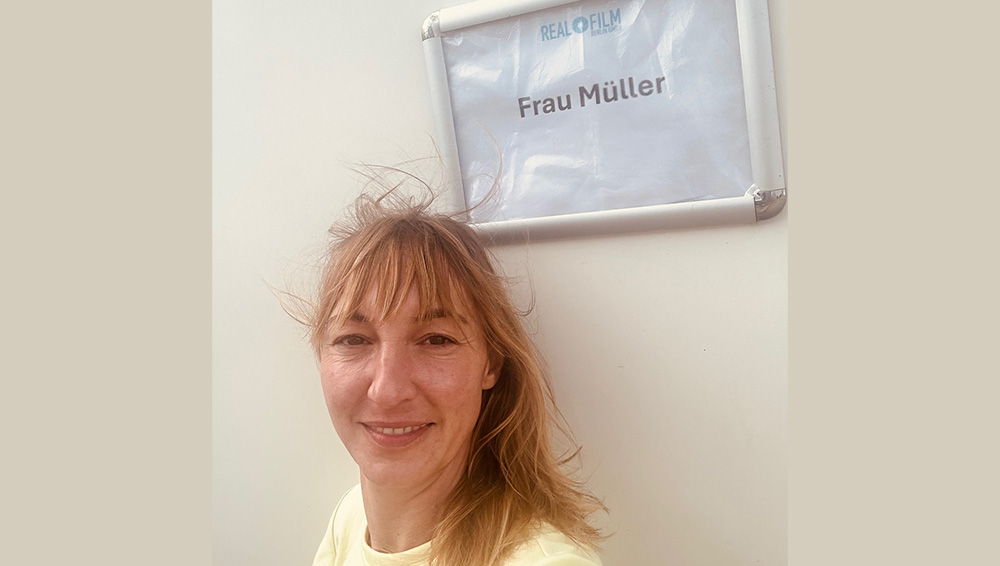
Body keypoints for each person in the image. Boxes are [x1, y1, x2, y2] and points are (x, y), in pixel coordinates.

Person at [305, 190, 606, 566]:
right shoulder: (350, 517)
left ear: (490, 364)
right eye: (353, 339)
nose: (387, 391)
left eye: (436, 340)